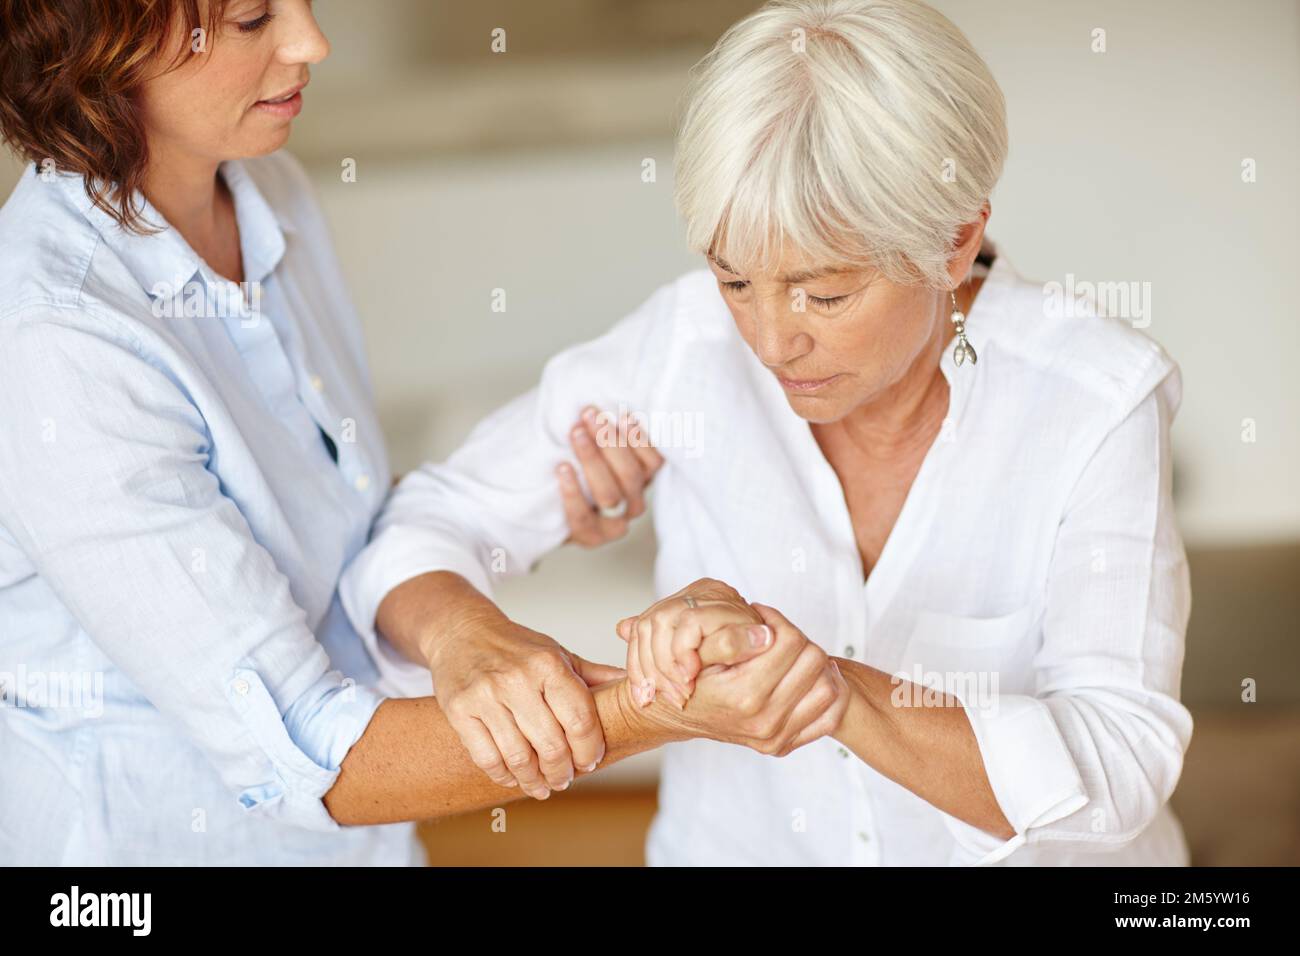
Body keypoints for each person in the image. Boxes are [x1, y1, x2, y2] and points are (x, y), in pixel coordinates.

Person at [345, 0, 1195, 865]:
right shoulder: (680, 351)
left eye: (824, 295)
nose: (769, 341)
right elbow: (420, 529)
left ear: (953, 242)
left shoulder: (1096, 398)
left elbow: (1120, 761)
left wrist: (835, 691)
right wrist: (464, 637)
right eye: (734, 279)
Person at [0, 0, 843, 865]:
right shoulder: (57, 338)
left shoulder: (265, 191)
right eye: (254, 17)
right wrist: (657, 706)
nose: (310, 41)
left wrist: (478, 603)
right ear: (102, 45)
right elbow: (307, 754)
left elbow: (343, 537)